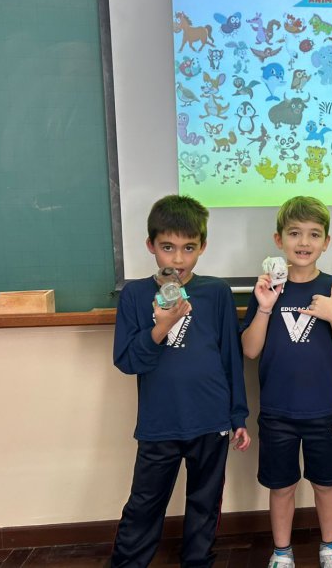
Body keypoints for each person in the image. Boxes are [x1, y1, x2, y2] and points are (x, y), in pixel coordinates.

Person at [110, 194, 250, 568]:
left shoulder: (216, 292)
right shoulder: (135, 295)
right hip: (160, 422)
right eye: (167, 247)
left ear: (202, 247)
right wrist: (161, 327)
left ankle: (197, 561)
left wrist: (237, 415)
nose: (177, 259)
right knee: (145, 503)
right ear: (150, 245)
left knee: (206, 502)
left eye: (188, 248)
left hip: (211, 420)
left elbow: (230, 358)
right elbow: (127, 361)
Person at [241, 196, 332, 568]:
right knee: (282, 486)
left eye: (313, 234)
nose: (304, 242)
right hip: (277, 411)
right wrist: (264, 307)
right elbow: (250, 350)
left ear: (326, 242)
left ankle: (330, 548)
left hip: (323, 410)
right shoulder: (267, 288)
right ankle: (282, 552)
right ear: (279, 240)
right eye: (294, 233)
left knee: (326, 483)